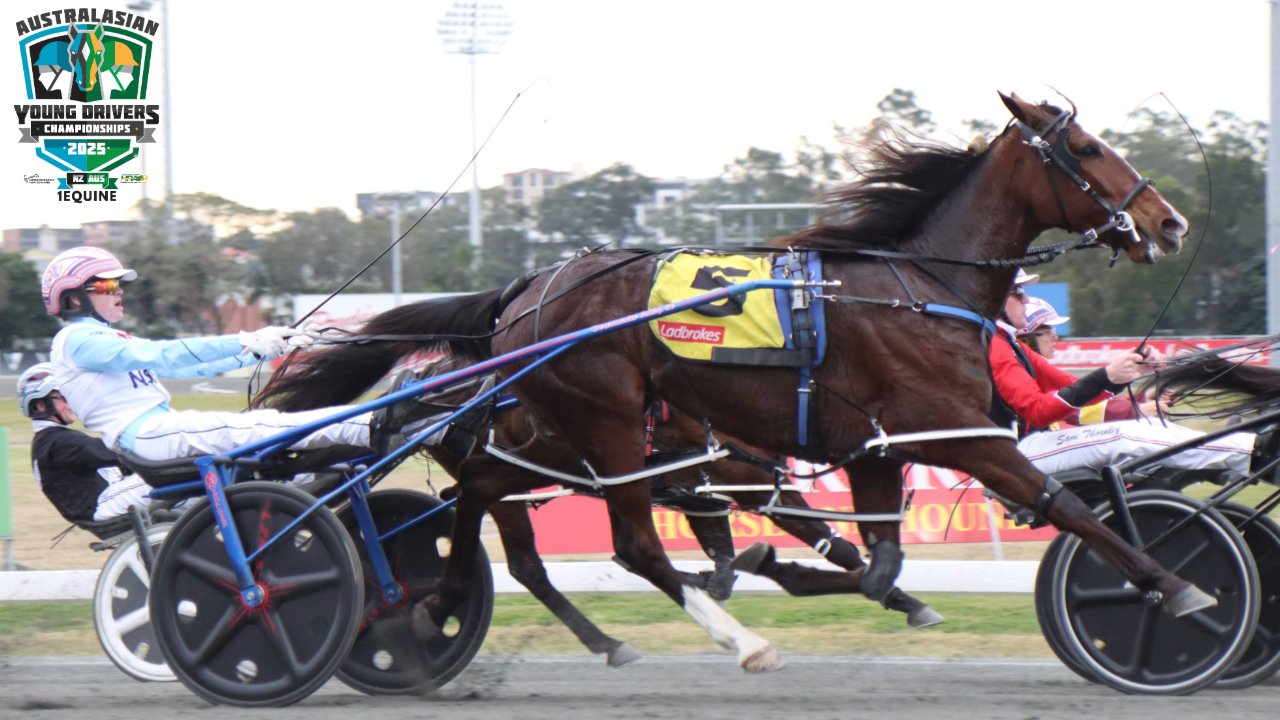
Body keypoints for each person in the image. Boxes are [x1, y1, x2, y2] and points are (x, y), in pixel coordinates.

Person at [43, 246, 406, 465]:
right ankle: (383, 423)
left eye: (118, 284)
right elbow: (164, 355)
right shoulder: (76, 339)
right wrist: (245, 338)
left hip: (158, 430)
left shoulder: (104, 338)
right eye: (107, 285)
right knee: (269, 425)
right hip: (147, 436)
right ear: (74, 298)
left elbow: (192, 365)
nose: (118, 291)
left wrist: (262, 350)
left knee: (270, 433)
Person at [990, 269, 1258, 478]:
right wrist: (1126, 396)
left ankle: (1231, 452)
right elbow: (1041, 410)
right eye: (1018, 291)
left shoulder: (1012, 346)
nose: (1025, 298)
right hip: (1020, 452)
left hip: (1035, 444)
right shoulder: (995, 346)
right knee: (1124, 436)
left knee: (1144, 429)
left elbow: (1076, 386)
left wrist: (1131, 369)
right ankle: (1248, 452)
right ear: (997, 297)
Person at [19, 362, 160, 524]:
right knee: (174, 479)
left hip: (106, 502)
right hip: (105, 505)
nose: (71, 403)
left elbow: (114, 457)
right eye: (64, 397)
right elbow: (117, 453)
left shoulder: (50, 440)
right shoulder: (58, 442)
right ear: (41, 404)